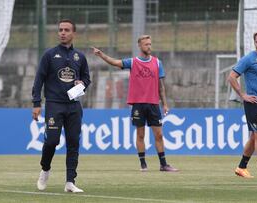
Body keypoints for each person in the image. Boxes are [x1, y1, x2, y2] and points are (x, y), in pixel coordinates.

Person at [92, 35, 178, 172]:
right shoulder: (133, 62)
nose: (149, 46)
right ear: (140, 46)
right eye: (146, 44)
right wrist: (101, 55)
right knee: (140, 135)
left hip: (153, 104)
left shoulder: (157, 63)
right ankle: (143, 164)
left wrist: (165, 104)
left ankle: (163, 164)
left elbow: (160, 86)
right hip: (138, 105)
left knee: (159, 135)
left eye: (150, 44)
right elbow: (115, 62)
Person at [32, 19, 91, 192]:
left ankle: (70, 182)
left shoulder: (80, 57)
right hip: (54, 105)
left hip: (73, 106)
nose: (62, 33)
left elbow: (87, 78)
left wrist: (82, 84)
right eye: (60, 30)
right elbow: (39, 79)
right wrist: (36, 103)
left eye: (66, 30)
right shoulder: (49, 55)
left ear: (73, 33)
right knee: (52, 141)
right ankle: (45, 169)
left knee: (73, 142)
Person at [228, 30, 257, 179]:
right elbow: (231, 77)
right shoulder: (249, 58)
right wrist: (243, 95)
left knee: (254, 137)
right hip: (253, 102)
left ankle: (241, 167)